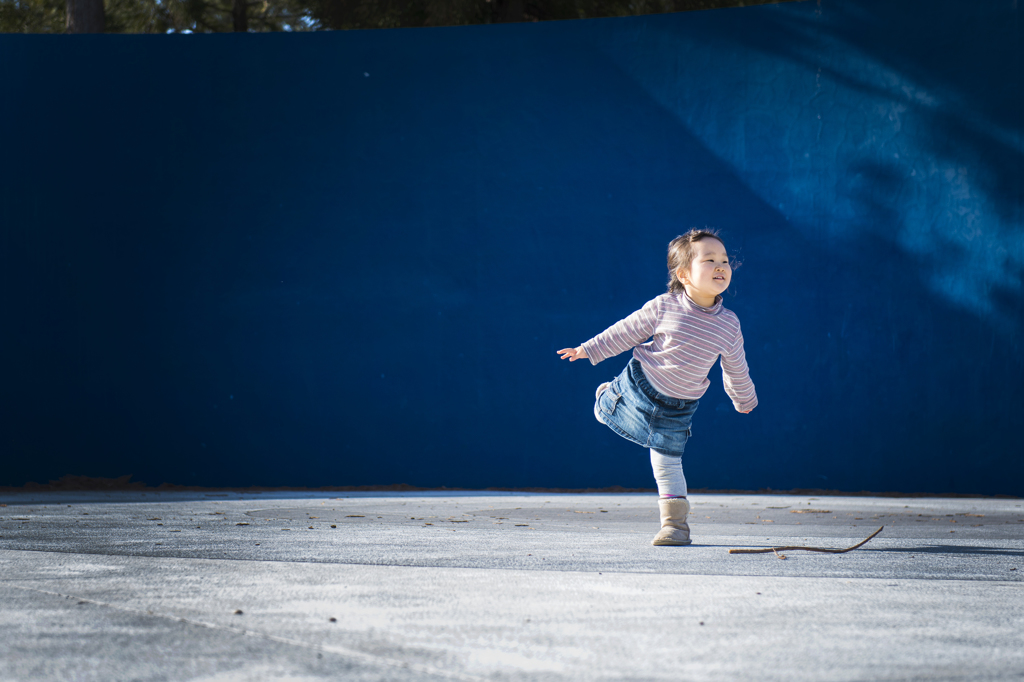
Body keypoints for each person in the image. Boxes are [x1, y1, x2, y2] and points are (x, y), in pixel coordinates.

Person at [557, 229, 757, 546]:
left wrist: (744, 398)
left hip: (678, 408)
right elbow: (626, 331)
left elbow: (735, 365)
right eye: (709, 260)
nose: (721, 265)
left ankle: (675, 527)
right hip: (641, 384)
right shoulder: (665, 306)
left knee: (666, 464)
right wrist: (588, 349)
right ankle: (606, 397)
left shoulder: (729, 323)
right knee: (603, 412)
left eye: (724, 260)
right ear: (683, 274)